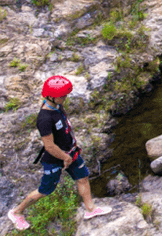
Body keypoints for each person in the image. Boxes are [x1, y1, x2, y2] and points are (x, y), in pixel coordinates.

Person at [7, 76, 111, 231]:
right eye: (62, 95)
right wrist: (65, 157)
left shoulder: (57, 107)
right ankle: (17, 212)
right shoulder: (44, 119)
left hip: (70, 152)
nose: (65, 97)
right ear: (50, 96)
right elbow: (49, 146)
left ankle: (90, 209)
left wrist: (71, 148)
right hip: (55, 158)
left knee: (82, 177)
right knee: (45, 190)